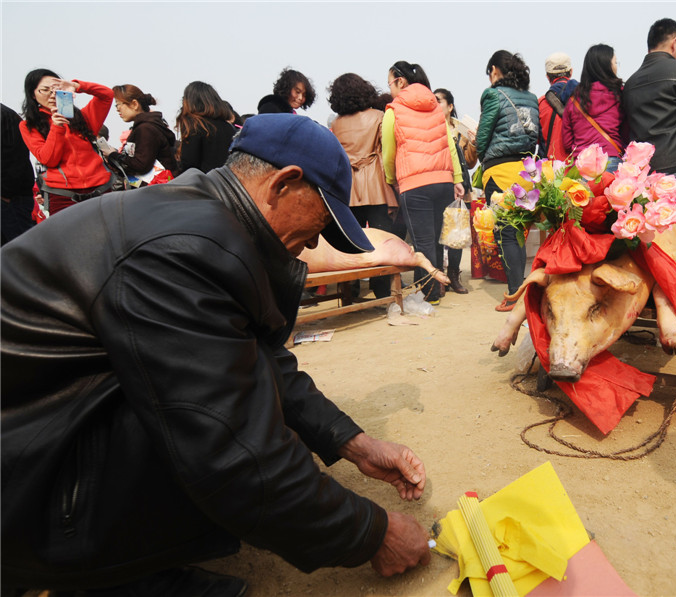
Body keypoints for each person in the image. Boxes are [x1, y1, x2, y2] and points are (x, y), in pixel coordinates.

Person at [1, 114, 431, 596]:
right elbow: (231, 449)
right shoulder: (184, 250)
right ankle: (112, 575)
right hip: (21, 476)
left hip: (39, 436)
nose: (313, 243)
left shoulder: (198, 214)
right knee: (204, 429)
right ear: (284, 184)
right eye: (321, 222)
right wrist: (374, 535)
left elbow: (253, 359)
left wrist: (352, 441)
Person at [381, 60, 464, 305]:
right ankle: (433, 289)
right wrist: (456, 178)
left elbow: (389, 151)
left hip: (414, 183)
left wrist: (390, 179)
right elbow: (450, 145)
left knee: (422, 243)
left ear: (400, 81)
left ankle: (429, 295)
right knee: (436, 239)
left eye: (390, 83)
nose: (390, 90)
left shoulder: (393, 110)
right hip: (442, 182)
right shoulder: (435, 107)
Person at [476, 50, 541, 311]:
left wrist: (481, 151)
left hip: (499, 172)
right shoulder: (532, 97)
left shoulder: (492, 94)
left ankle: (515, 293)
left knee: (506, 233)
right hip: (526, 171)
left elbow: (482, 138)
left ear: (494, 70)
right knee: (521, 230)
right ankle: (526, 287)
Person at [623, 18, 676, 205]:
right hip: (674, 162)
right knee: (672, 226)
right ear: (674, 42)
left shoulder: (631, 82)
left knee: (649, 228)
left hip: (642, 169)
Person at [328, 73, 398, 298]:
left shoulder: (336, 123)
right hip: (376, 186)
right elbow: (386, 150)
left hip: (348, 190)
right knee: (382, 241)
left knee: (351, 243)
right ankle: (382, 291)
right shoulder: (379, 116)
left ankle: (351, 292)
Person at [19, 69, 115, 215]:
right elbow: (48, 159)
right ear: (33, 94)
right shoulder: (29, 125)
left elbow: (107, 95)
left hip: (101, 188)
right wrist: (57, 128)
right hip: (62, 195)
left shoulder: (83, 117)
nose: (52, 94)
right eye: (45, 90)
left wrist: (77, 86)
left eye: (56, 89)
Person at [435, 87, 477, 294]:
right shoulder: (431, 127)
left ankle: (453, 274)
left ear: (450, 106)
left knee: (456, 233)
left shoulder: (460, 130)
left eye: (439, 101)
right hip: (440, 184)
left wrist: (473, 143)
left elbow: (469, 162)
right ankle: (439, 279)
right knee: (438, 233)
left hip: (461, 188)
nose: (435, 105)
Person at [560, 44, 627, 168]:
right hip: (611, 159)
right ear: (608, 66)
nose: (616, 66)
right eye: (615, 62)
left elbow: (567, 142)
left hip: (582, 164)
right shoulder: (619, 95)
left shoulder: (574, 99)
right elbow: (627, 132)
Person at [104, 84, 178, 184]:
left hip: (156, 192)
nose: (117, 109)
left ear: (134, 104)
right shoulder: (149, 125)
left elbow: (140, 165)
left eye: (118, 104)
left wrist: (112, 155)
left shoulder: (146, 129)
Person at [175, 81, 237, 173]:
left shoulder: (195, 126)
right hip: (227, 181)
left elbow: (189, 163)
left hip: (204, 182)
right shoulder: (229, 127)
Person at [1, 103, 36, 244]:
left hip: (10, 200)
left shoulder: (5, 115)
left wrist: (5, 194)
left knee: (20, 256)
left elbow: (16, 157)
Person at [538, 52, 578, 161]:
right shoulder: (583, 98)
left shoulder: (541, 103)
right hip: (580, 168)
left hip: (550, 170)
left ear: (547, 76)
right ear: (571, 72)